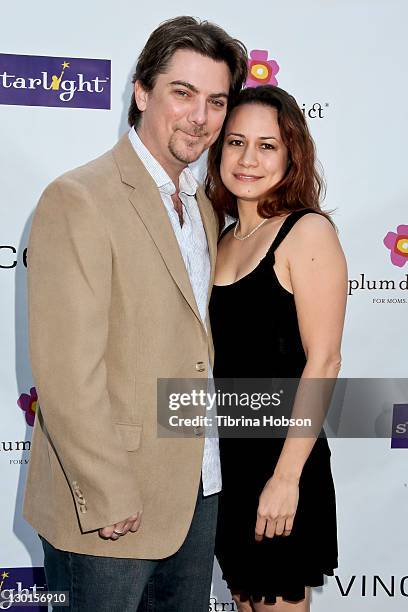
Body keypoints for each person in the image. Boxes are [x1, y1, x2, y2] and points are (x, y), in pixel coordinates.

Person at [23, 16, 247, 612]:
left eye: (216, 101)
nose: (199, 117)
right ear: (142, 91)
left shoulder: (201, 207)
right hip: (111, 505)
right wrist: (109, 491)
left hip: (198, 490)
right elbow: (68, 371)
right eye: (183, 93)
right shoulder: (80, 198)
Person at [206, 85, 348, 611]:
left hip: (282, 461)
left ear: (291, 155)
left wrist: (286, 478)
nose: (247, 159)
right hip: (224, 464)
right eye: (236, 142)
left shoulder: (306, 232)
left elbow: (325, 360)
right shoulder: (218, 239)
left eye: (267, 146)